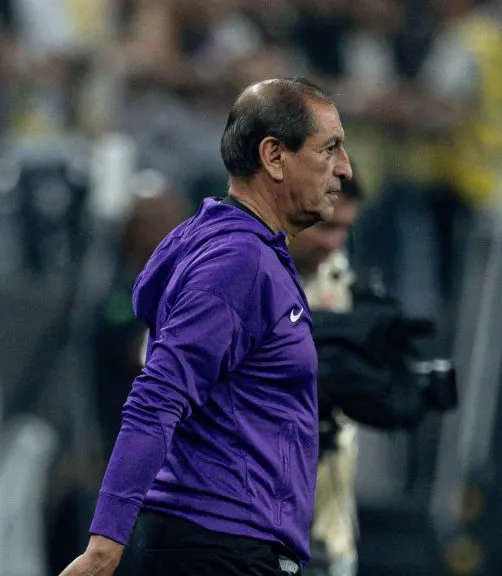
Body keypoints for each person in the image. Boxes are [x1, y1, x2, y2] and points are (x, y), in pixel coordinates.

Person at [59, 76, 354, 576]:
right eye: (329, 149)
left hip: (221, 542)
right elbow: (158, 396)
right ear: (274, 157)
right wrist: (104, 548)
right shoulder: (237, 261)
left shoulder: (236, 247)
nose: (344, 169)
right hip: (221, 549)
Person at [289, 172, 363, 576]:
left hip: (330, 528)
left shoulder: (338, 276)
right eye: (326, 227)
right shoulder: (235, 270)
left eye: (345, 231)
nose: (333, 243)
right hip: (244, 526)